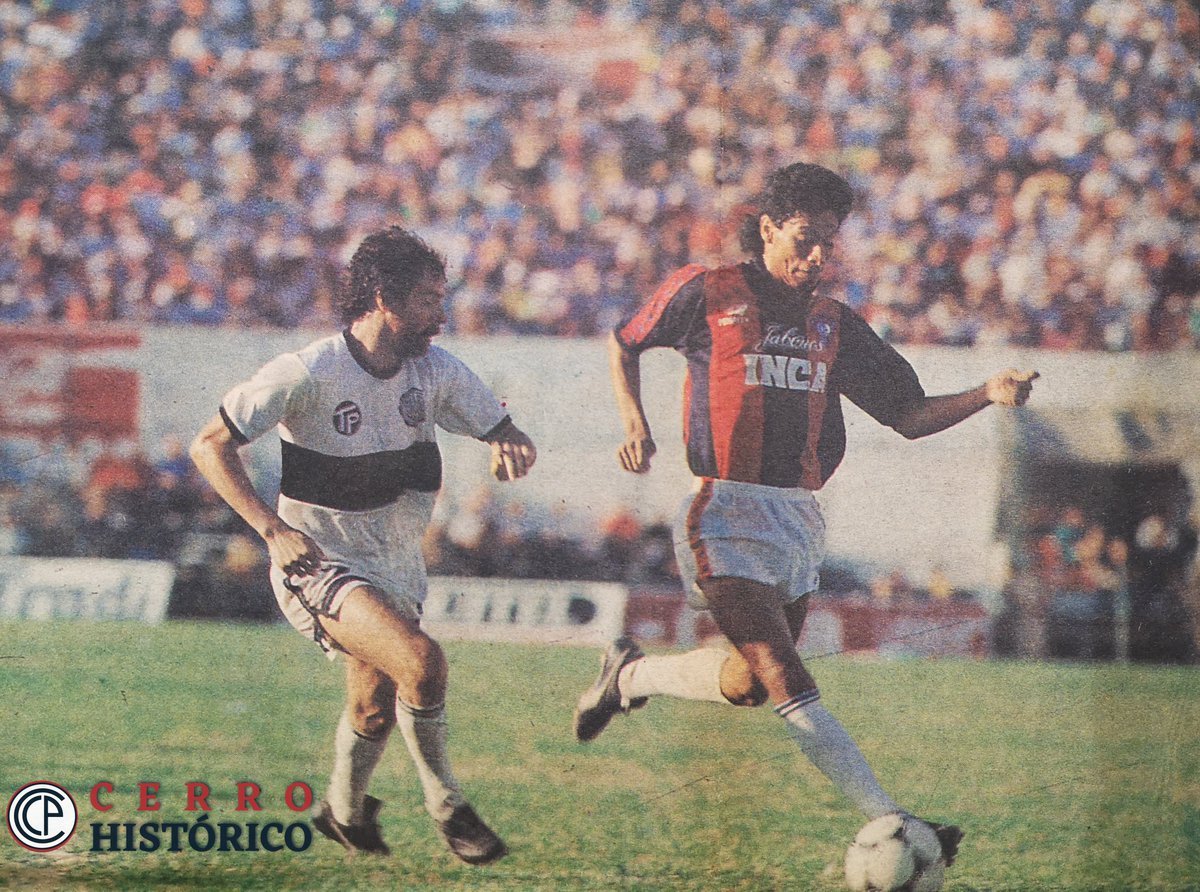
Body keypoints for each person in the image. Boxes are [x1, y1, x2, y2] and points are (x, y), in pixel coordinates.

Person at [574, 162, 1039, 865]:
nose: (817, 255)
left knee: (748, 682)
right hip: (720, 509)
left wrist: (986, 392)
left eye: (829, 241)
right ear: (767, 229)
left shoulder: (835, 324)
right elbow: (623, 341)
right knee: (785, 674)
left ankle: (629, 676)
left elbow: (909, 415)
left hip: (796, 521)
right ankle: (896, 822)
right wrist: (634, 422)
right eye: (804, 238)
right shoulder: (709, 291)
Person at [190, 226, 536, 864]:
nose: (442, 315)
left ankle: (344, 811)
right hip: (318, 562)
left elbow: (500, 425)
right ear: (384, 297)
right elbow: (209, 444)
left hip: (395, 564)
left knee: (373, 707)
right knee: (422, 663)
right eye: (430, 300)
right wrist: (273, 530)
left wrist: (509, 440)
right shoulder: (310, 369)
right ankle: (448, 805)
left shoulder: (434, 370)